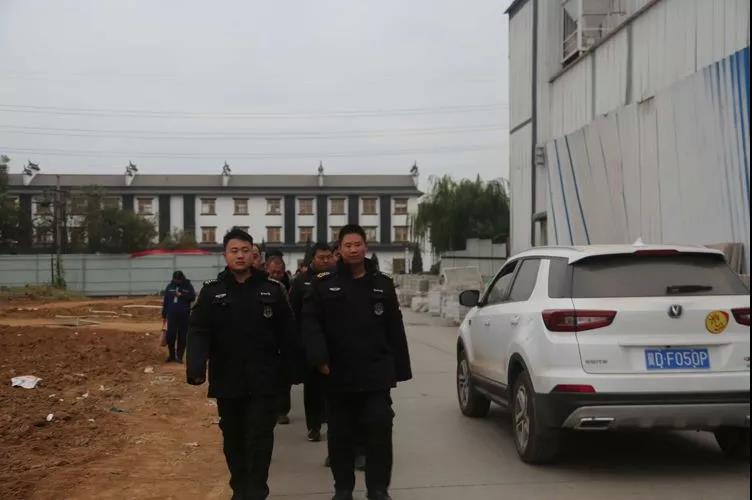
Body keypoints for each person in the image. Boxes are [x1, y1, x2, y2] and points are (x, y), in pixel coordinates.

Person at [303, 225, 412, 500]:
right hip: (338, 373)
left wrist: (399, 368)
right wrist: (319, 358)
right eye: (347, 245)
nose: (353, 249)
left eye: (357, 244)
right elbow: (311, 324)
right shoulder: (323, 284)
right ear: (339, 250)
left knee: (379, 429)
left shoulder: (382, 283)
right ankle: (343, 489)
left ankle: (378, 488)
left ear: (366, 246)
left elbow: (394, 327)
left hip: (375, 373)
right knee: (340, 435)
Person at [186, 228, 295, 500]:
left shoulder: (273, 290)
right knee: (233, 439)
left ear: (253, 254)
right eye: (234, 251)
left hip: (264, 381)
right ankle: (240, 488)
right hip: (228, 381)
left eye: (245, 250)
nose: (240, 255)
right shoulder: (211, 292)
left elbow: (288, 334)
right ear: (225, 255)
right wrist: (196, 367)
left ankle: (256, 492)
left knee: (259, 439)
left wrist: (291, 371)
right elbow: (198, 331)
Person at [289, 242, 334, 442]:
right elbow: (293, 312)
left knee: (333, 389)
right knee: (312, 388)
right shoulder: (301, 281)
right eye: (321, 257)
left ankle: (334, 426)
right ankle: (313, 426)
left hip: (334, 344)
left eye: (328, 257)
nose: (325, 261)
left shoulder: (337, 278)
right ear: (313, 259)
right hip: (309, 343)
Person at [160, 270, 195, 363]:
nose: (177, 281)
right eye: (175, 279)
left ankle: (179, 356)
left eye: (178, 279)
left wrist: (182, 295)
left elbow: (192, 297)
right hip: (171, 315)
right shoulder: (170, 286)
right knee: (170, 336)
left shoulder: (188, 286)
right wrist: (164, 314)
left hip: (184, 315)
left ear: (182, 278)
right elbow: (166, 301)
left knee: (182, 336)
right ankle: (171, 356)